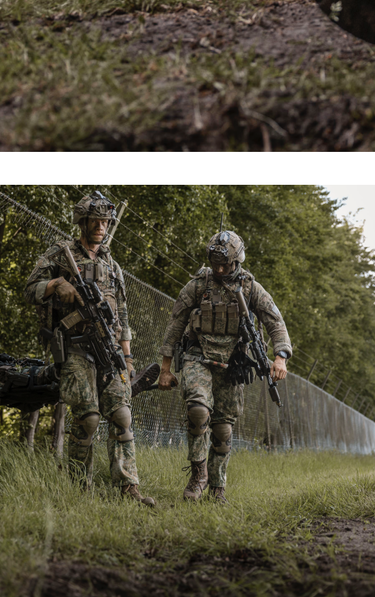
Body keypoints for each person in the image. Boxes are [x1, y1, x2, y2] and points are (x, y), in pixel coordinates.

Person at [24, 193, 154, 505]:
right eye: (95, 220)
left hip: (108, 349)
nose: (101, 226)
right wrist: (57, 285)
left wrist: (127, 356)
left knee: (121, 416)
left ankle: (129, 487)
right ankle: (79, 486)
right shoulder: (61, 253)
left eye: (106, 221)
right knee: (88, 419)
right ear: (82, 222)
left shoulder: (112, 265)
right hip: (75, 348)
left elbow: (122, 313)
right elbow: (30, 289)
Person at [156, 230, 291, 502]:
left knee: (222, 429)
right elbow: (175, 324)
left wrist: (280, 356)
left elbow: (274, 320)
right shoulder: (197, 285)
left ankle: (218, 487)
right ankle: (198, 475)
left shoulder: (251, 287)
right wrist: (165, 368)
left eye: (225, 264)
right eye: (215, 262)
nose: (219, 268)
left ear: (236, 261)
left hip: (233, 362)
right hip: (198, 355)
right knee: (197, 411)